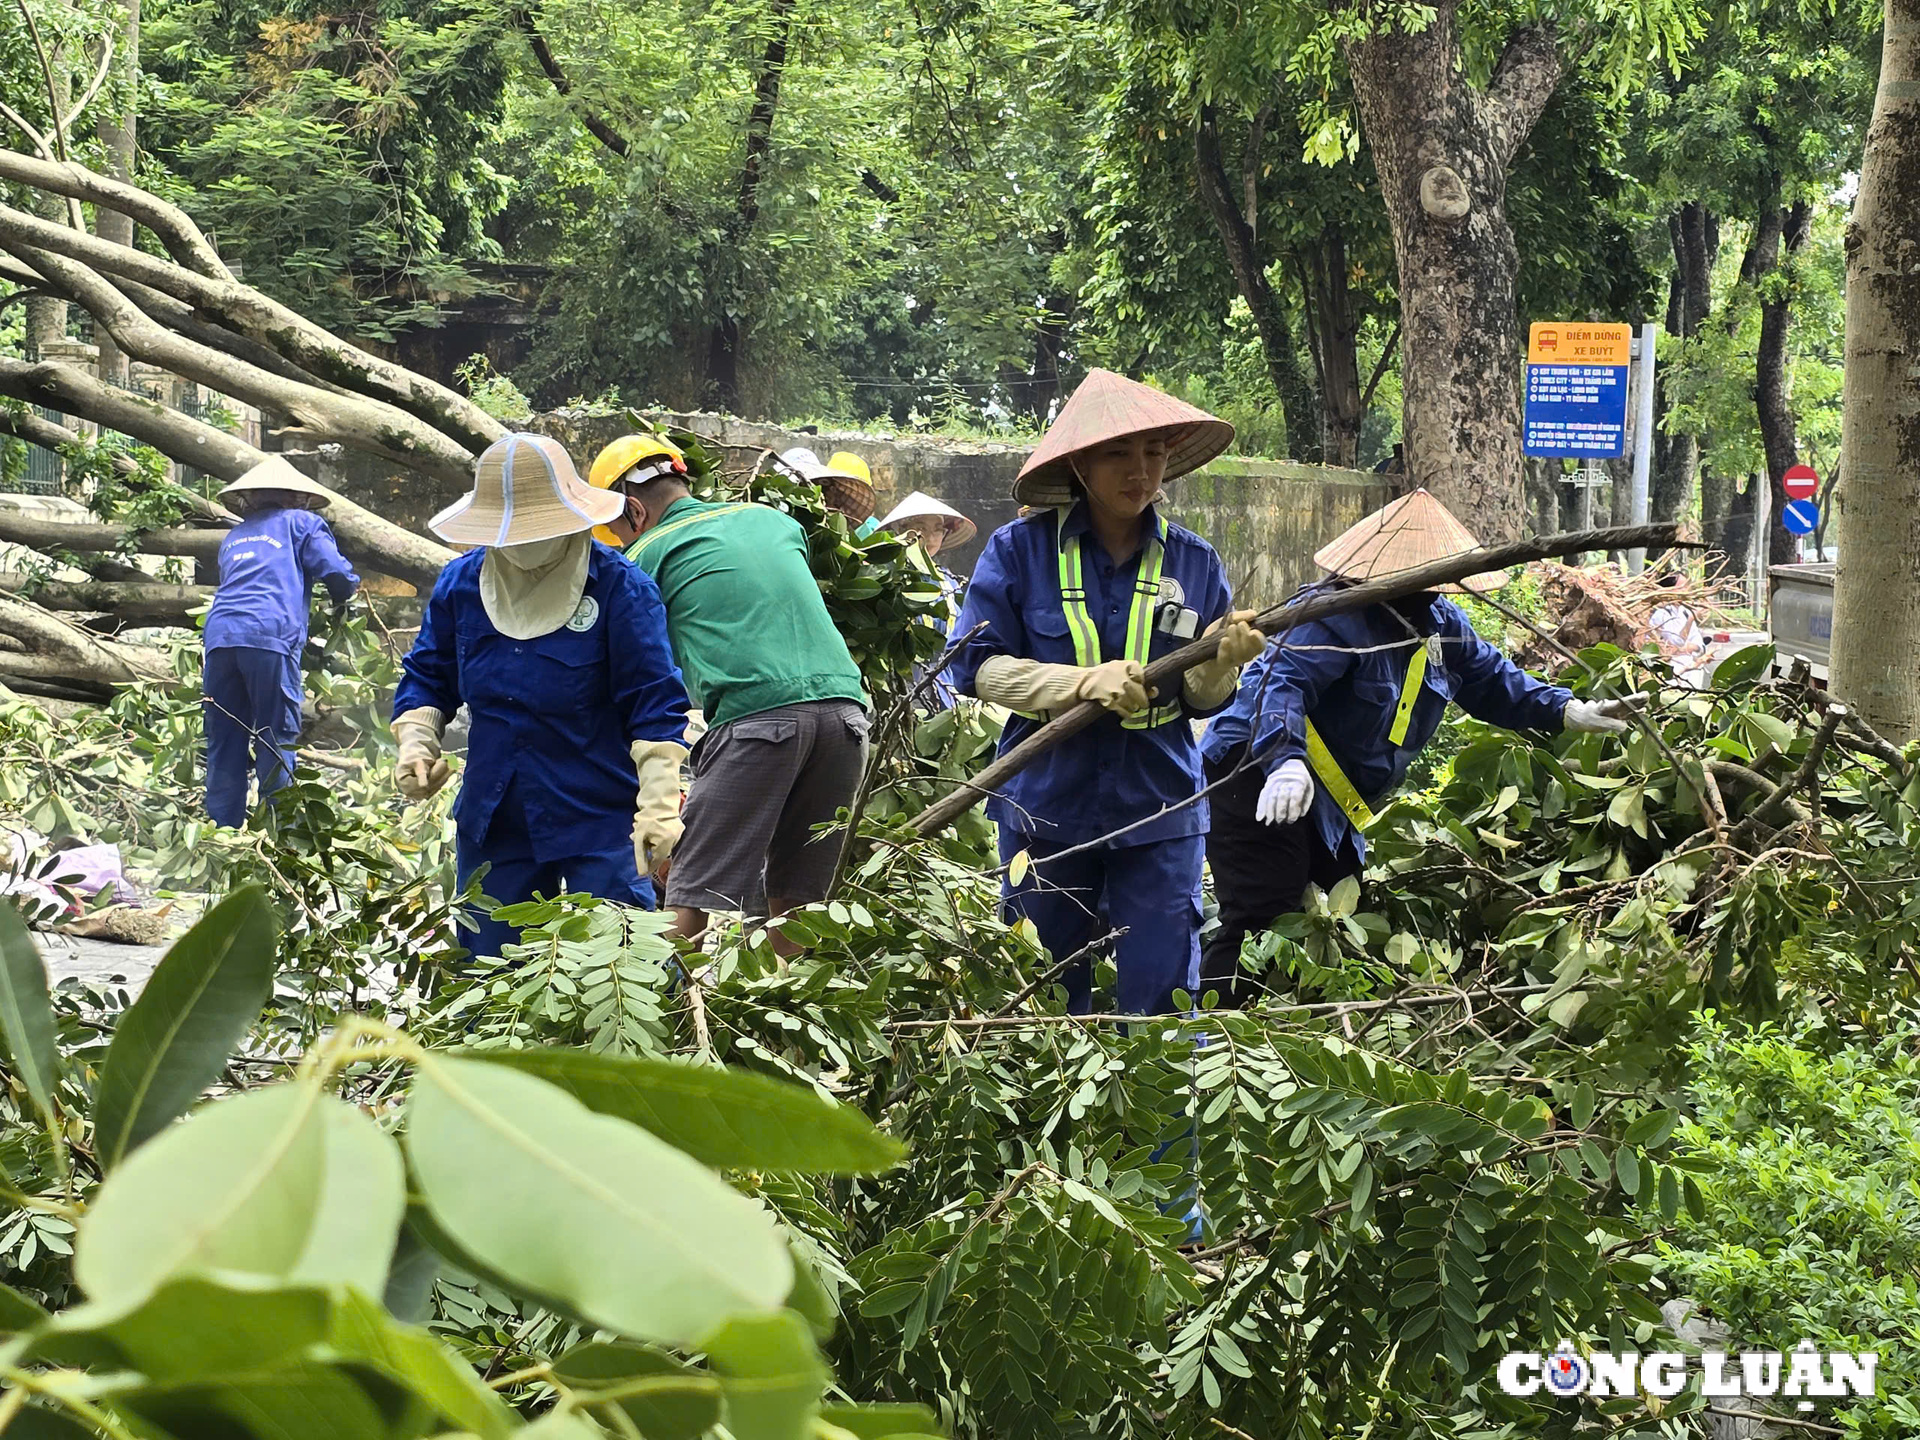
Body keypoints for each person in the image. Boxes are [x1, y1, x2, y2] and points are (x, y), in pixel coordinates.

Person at [1197, 489, 1636, 1003]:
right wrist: (1285, 762)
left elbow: (1494, 681)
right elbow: (1279, 685)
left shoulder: (1443, 625)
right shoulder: (1328, 615)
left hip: (1333, 804)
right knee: (1262, 912)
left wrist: (1569, 710)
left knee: (1336, 916)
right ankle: (1217, 1034)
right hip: (1254, 769)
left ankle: (1302, 1026)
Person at [948, 369, 1266, 1017]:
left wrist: (1223, 664)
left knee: (1165, 1002)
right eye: (1119, 453)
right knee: (1042, 999)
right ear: (1080, 465)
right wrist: (1079, 683)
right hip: (1045, 809)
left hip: (1161, 812)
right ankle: (1047, 1118)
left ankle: (1171, 1123)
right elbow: (973, 668)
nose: (1140, 471)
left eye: (1154, 454)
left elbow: (1204, 701)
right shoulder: (1017, 553)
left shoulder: (1195, 562)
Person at [391, 433, 691, 958]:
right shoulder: (462, 587)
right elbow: (428, 675)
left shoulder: (620, 590)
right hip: (496, 817)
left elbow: (654, 703)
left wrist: (661, 803)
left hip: (597, 817)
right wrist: (417, 742)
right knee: (490, 978)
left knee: (623, 970)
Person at [586, 433, 871, 943]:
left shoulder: (643, 556)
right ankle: (785, 1009)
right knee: (798, 895)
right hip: (847, 717)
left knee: (690, 889)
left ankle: (665, 1014)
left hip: (758, 721)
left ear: (632, 511)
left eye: (615, 531)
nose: (620, 543)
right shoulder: (775, 521)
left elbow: (632, 673)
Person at [201, 456, 359, 828]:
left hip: (220, 639)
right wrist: (346, 594)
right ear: (298, 498)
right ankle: (279, 836)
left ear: (250, 500)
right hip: (269, 637)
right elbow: (336, 572)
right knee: (275, 735)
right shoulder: (303, 523)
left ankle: (223, 835)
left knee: (226, 739)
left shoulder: (235, 536)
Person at [878, 490, 977, 708]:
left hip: (947, 688)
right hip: (900, 687)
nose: (931, 538)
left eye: (938, 530)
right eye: (921, 528)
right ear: (900, 530)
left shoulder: (949, 582)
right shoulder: (885, 575)